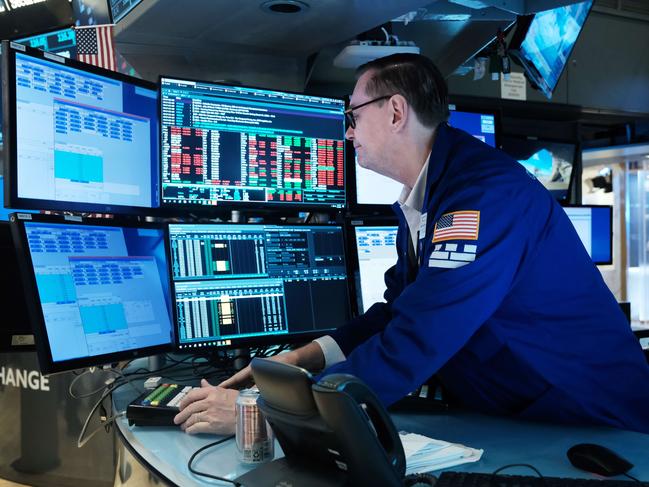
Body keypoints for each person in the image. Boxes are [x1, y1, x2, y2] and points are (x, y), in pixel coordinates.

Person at [174, 53, 649, 436]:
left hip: (593, 422)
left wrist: (268, 411)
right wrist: (303, 358)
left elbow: (416, 339)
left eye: (352, 114)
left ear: (396, 111)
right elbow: (399, 311)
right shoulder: (431, 195)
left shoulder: (482, 197)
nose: (347, 131)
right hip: (528, 413)